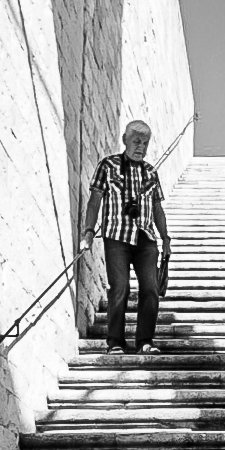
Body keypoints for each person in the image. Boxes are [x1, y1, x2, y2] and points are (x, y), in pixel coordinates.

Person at [80, 120, 171, 355]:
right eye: (136, 141)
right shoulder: (108, 165)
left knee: (150, 288)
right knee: (119, 287)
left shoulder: (151, 172)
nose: (141, 146)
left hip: (145, 237)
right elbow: (94, 200)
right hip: (116, 235)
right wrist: (88, 231)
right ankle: (116, 342)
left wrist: (166, 239)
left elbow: (158, 208)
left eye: (145, 142)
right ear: (125, 140)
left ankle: (145, 342)